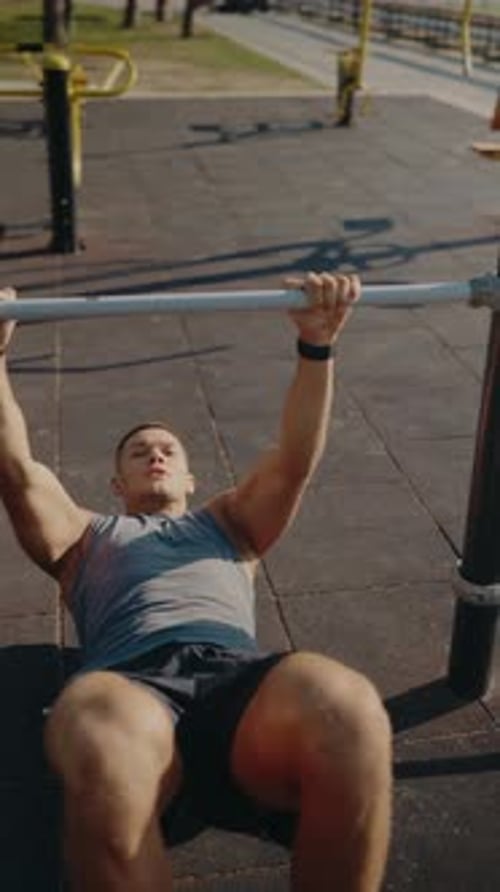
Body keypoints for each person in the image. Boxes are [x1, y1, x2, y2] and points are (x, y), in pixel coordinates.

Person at [0, 273, 392, 892]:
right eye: (138, 452)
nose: (155, 454)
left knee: (351, 710)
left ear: (189, 479)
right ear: (116, 486)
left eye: (168, 451)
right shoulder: (83, 536)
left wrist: (317, 345)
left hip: (237, 683)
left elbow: (293, 461)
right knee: (93, 726)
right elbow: (17, 470)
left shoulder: (230, 524)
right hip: (132, 688)